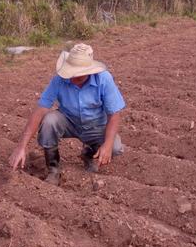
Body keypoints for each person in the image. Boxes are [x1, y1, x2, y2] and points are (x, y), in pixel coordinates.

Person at [8, 43, 125, 185]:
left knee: (115, 147)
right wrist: (22, 146)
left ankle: (89, 153)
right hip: (69, 121)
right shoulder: (59, 80)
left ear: (89, 71)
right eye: (70, 73)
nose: (72, 78)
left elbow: (114, 114)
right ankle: (53, 169)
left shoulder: (104, 79)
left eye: (78, 76)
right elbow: (40, 110)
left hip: (95, 125)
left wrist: (107, 145)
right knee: (49, 121)